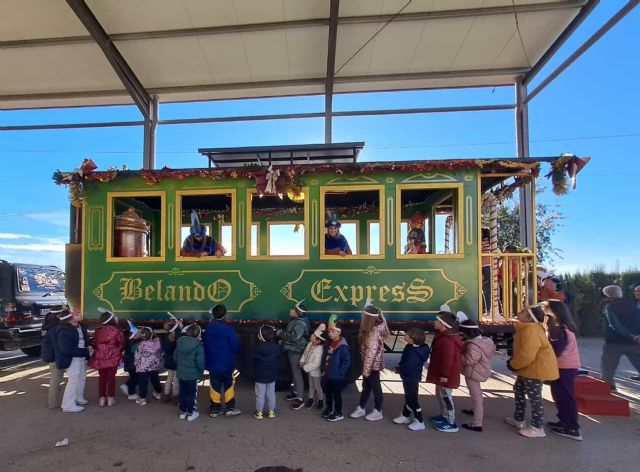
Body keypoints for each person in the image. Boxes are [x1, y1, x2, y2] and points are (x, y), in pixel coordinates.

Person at [504, 305, 559, 438]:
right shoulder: (528, 328)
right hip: (528, 369)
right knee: (519, 390)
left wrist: (513, 364)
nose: (519, 312)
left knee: (535, 398)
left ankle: (537, 427)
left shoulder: (531, 330)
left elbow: (527, 355)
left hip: (535, 369)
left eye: (522, 312)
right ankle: (519, 419)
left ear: (529, 318)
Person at [545, 300, 582, 441]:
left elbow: (556, 350)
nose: (544, 308)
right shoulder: (561, 326)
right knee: (559, 395)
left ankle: (572, 427)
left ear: (554, 310)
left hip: (564, 366)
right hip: (564, 365)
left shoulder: (559, 328)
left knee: (565, 396)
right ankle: (564, 421)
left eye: (546, 306)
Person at [350, 302, 389, 421]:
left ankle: (378, 411)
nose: (361, 317)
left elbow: (370, 356)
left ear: (367, 319)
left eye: (363, 315)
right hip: (370, 366)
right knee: (367, 386)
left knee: (375, 387)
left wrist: (366, 371)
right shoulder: (373, 329)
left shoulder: (373, 334)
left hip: (372, 366)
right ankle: (361, 407)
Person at [426, 310, 463, 432]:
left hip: (446, 375)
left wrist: (444, 374)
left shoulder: (448, 340)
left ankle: (451, 422)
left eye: (437, 320)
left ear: (443, 324)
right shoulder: (444, 337)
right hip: (442, 374)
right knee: (441, 395)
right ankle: (444, 415)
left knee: (446, 397)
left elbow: (448, 359)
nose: (434, 322)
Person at [203, 304, 241, 417]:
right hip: (227, 363)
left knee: (214, 385)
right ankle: (229, 408)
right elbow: (235, 346)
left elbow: (204, 344)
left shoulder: (208, 328)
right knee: (229, 384)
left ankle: (215, 408)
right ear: (225, 315)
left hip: (212, 362)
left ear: (213, 315)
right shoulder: (228, 329)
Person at [459, 319, 496, 432]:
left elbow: (467, 360)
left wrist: (458, 354)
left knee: (476, 397)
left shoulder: (473, 345)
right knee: (478, 394)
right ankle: (475, 411)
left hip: (473, 372)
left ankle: (477, 423)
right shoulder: (486, 341)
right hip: (480, 370)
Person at [600, 285, 640, 390]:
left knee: (607, 368)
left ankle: (607, 387)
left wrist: (630, 335)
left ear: (608, 295)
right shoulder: (632, 304)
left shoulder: (609, 307)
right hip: (634, 342)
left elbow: (614, 325)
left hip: (614, 342)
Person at [393, 327, 430, 431]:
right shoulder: (410, 347)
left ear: (412, 338)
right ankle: (406, 415)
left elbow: (409, 365)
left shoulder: (414, 351)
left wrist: (399, 369)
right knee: (408, 396)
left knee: (412, 399)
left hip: (411, 377)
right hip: (408, 376)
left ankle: (420, 420)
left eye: (406, 335)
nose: (404, 335)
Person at [56, 307, 92, 413]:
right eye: (74, 314)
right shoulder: (64, 330)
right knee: (73, 381)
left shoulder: (79, 326)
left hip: (80, 357)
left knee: (82, 378)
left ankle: (78, 398)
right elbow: (67, 350)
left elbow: (85, 338)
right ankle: (68, 405)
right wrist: (86, 352)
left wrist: (88, 346)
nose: (77, 314)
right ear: (70, 319)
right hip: (72, 359)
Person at [88, 308, 125, 407]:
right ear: (112, 319)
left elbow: (95, 344)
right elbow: (121, 345)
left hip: (100, 357)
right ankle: (111, 399)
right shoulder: (117, 331)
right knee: (111, 378)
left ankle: (101, 399)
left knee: (102, 378)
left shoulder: (98, 331)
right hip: (113, 357)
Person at [282, 301, 311, 410]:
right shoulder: (297, 321)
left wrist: (280, 333)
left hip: (296, 351)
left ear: (297, 313)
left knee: (297, 373)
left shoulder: (300, 324)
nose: (290, 310)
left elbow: (294, 337)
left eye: (293, 309)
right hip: (293, 349)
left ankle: (300, 398)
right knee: (294, 372)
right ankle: (295, 392)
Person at [174, 324, 205, 421]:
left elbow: (175, 357)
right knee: (192, 394)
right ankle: (191, 413)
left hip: (181, 374)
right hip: (193, 375)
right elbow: (200, 362)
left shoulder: (179, 343)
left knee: (182, 392)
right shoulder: (198, 346)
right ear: (198, 334)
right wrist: (201, 372)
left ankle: (182, 412)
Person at [321, 322, 351, 422]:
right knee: (328, 393)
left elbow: (346, 362)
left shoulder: (343, 346)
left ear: (339, 332)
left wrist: (340, 374)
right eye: (329, 331)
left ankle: (338, 412)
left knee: (336, 395)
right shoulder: (329, 343)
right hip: (328, 374)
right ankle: (329, 409)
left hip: (337, 376)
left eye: (333, 331)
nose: (330, 333)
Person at [253, 325, 280, 419]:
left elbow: (252, 361)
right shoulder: (275, 347)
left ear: (260, 336)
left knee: (260, 394)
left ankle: (259, 413)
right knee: (271, 394)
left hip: (259, 376)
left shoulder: (257, 348)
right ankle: (271, 412)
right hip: (272, 375)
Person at [134, 326, 164, 406]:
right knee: (155, 380)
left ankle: (143, 399)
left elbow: (137, 356)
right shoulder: (158, 342)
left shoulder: (141, 345)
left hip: (143, 367)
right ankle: (158, 393)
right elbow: (161, 353)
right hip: (154, 366)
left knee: (143, 383)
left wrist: (136, 364)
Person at [41, 305, 64, 409]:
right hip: (55, 356)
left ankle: (54, 401)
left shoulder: (50, 324)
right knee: (56, 379)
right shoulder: (55, 327)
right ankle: (53, 403)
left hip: (51, 355)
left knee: (55, 378)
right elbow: (57, 345)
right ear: (59, 315)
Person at [299, 324, 326, 410]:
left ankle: (321, 400)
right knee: (311, 385)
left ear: (318, 341)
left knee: (317, 386)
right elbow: (305, 353)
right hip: (309, 370)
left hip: (315, 372)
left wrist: (305, 367)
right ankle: (311, 399)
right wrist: (302, 361)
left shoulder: (319, 350)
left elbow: (316, 364)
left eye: (314, 336)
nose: (312, 336)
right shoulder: (310, 344)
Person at [161, 316, 182, 403]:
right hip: (177, 361)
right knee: (176, 379)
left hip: (169, 361)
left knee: (169, 378)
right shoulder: (179, 336)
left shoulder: (164, 337)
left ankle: (166, 395)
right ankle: (175, 396)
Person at [120, 321, 140, 400]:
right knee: (135, 377)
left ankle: (128, 387)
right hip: (132, 362)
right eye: (137, 332)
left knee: (134, 377)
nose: (139, 333)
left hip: (129, 361)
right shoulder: (132, 341)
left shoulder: (129, 338)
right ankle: (131, 393)